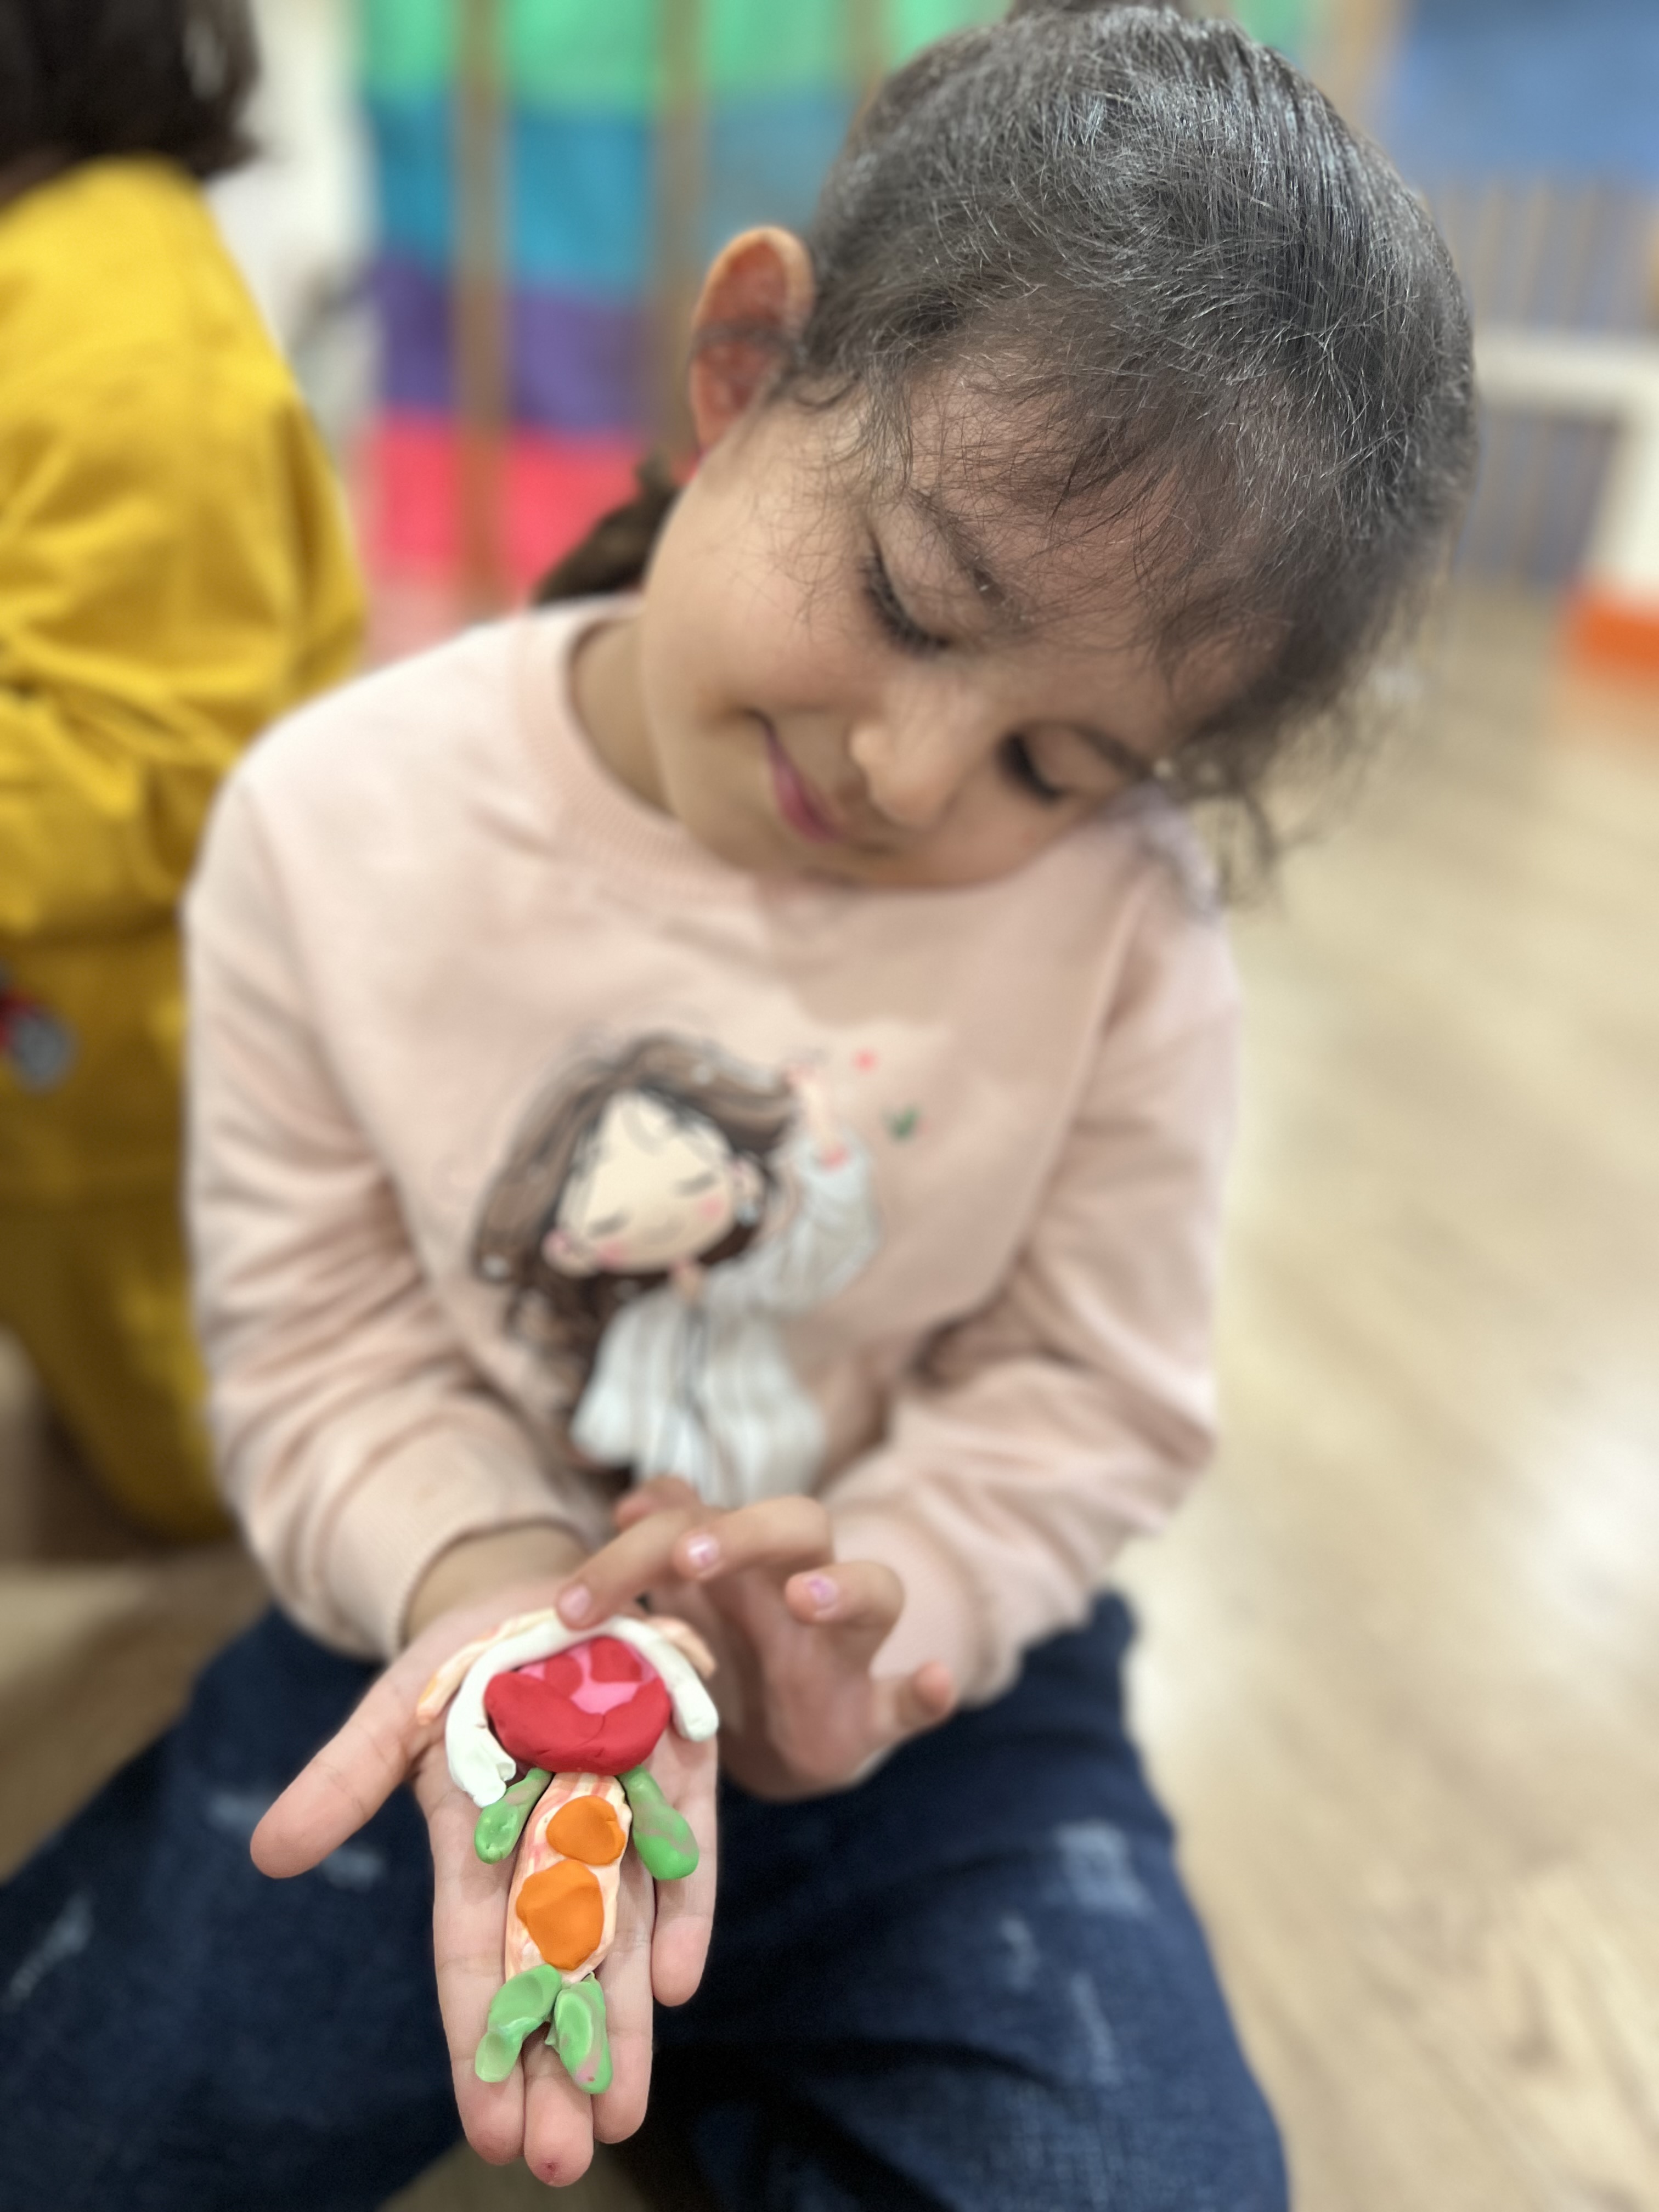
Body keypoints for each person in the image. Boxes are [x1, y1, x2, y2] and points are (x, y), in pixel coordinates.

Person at [0, 5, 1474, 2207]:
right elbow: (315, 1340)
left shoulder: (1126, 928)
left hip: (936, 1724)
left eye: (1057, 763)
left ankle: (734, 2048)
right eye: (908, 601)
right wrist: (486, 1577)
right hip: (442, 1631)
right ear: (749, 363)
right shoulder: (332, 821)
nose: (912, 775)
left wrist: (894, 1604)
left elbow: (1090, 1389)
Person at [0, 0, 364, 1537]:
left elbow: (142, 762)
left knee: (205, 1468)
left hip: (129, 1092)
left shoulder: (121, 323)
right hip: (59, 1051)